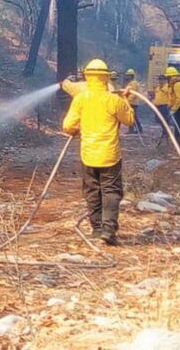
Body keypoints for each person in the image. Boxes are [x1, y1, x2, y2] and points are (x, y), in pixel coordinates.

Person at [63, 58, 135, 246]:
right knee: (111, 191)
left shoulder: (81, 99)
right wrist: (125, 99)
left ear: (87, 76)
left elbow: (68, 126)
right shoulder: (114, 100)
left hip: (88, 154)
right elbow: (129, 120)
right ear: (106, 77)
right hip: (110, 154)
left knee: (92, 191)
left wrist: (76, 131)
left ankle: (96, 230)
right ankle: (108, 230)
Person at [165, 66, 180, 147]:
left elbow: (179, 99)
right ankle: (177, 143)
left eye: (167, 77)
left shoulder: (178, 84)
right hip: (179, 108)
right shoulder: (174, 84)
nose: (167, 79)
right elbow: (173, 98)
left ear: (171, 76)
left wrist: (173, 109)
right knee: (177, 126)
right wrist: (169, 106)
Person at [123, 69, 144, 133]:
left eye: (128, 75)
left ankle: (138, 129)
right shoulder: (130, 83)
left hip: (132, 103)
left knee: (133, 117)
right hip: (131, 102)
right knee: (131, 116)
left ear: (131, 76)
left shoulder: (133, 83)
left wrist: (128, 100)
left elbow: (133, 93)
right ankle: (132, 129)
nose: (127, 77)